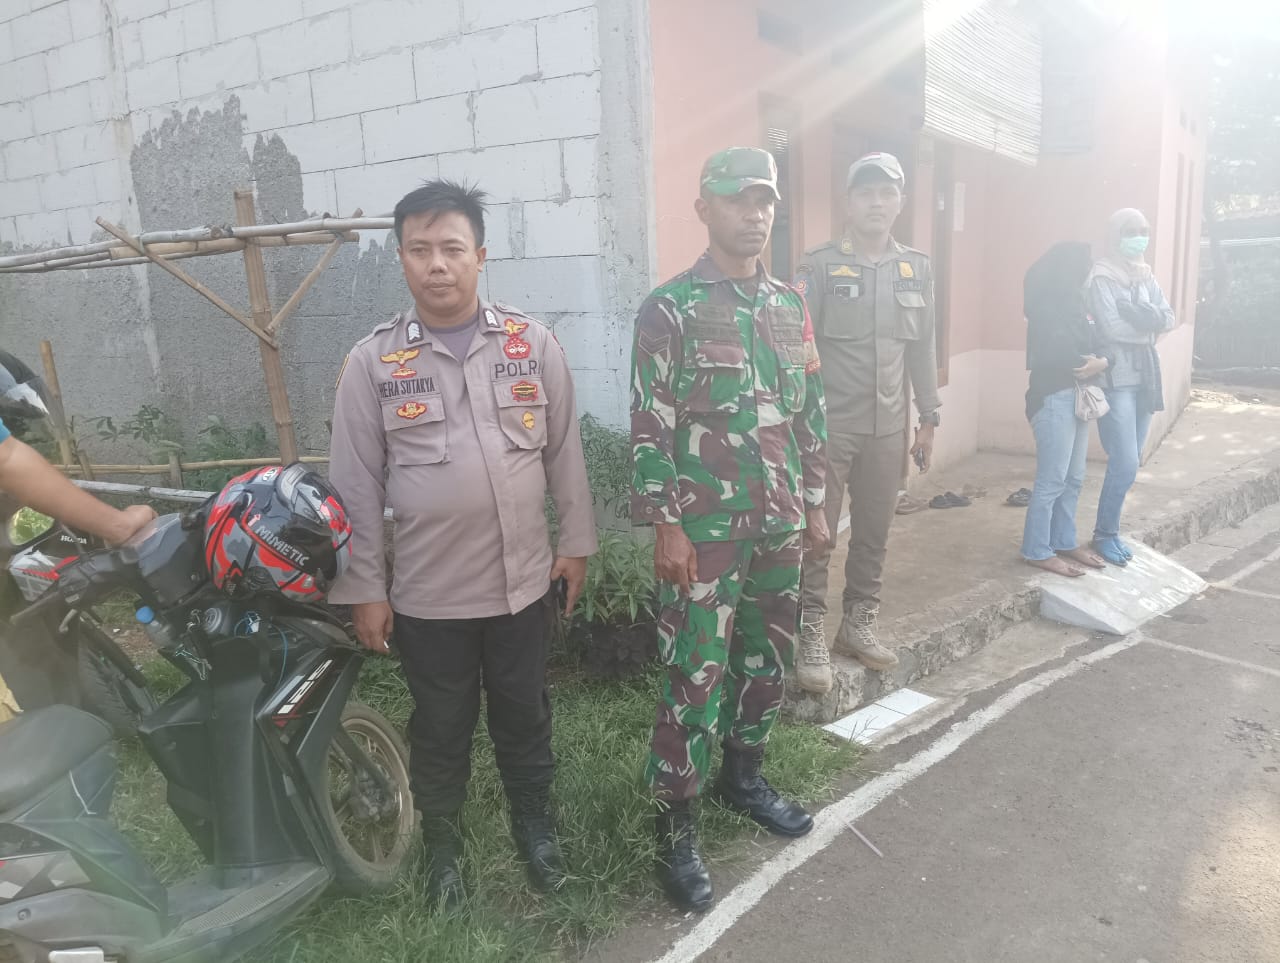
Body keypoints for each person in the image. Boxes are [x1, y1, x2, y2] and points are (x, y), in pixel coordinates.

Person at [327, 180, 597, 909]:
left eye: (452, 248)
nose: (437, 264)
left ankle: (534, 825)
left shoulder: (531, 345)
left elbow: (564, 452)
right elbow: (354, 485)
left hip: (521, 585)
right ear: (402, 259)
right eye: (420, 250)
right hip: (429, 597)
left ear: (480, 255)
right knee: (440, 727)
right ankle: (442, 846)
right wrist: (365, 588)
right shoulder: (372, 363)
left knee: (524, 712)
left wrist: (575, 543)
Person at [631, 147, 829, 912]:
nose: (756, 213)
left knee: (766, 659)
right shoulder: (669, 308)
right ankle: (675, 823)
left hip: (779, 522)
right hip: (705, 533)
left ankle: (743, 780)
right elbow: (651, 422)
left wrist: (816, 502)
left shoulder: (789, 306)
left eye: (765, 200)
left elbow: (809, 409)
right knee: (695, 672)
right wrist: (666, 525)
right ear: (704, 209)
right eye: (739, 199)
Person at [791, 152, 940, 693]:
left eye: (886, 193)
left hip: (889, 428)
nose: (877, 202)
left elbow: (922, 347)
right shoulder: (819, 266)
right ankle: (809, 630)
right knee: (817, 535)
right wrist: (796, 427)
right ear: (848, 202)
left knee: (875, 532)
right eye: (866, 193)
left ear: (900, 202)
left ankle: (857, 624)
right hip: (830, 429)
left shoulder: (916, 267)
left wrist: (929, 419)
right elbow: (796, 351)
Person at [1087, 208, 1175, 566]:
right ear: (1114, 234)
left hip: (1144, 378)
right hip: (1116, 379)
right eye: (1130, 230)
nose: (1138, 237)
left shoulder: (1145, 275)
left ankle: (1111, 531)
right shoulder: (1101, 277)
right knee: (1123, 461)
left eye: (1143, 230)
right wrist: (1149, 326)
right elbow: (1111, 328)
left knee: (1131, 461)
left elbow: (1169, 317)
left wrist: (1144, 320)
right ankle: (1104, 534)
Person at [1020, 242, 1110, 576]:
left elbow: (1100, 342)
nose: (1087, 270)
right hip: (1053, 398)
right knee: (1052, 480)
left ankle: (1064, 540)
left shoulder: (1079, 305)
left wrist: (1102, 360)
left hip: (1079, 397)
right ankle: (1036, 550)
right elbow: (1062, 352)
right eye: (1083, 264)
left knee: (1074, 478)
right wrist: (1093, 362)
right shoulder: (1046, 307)